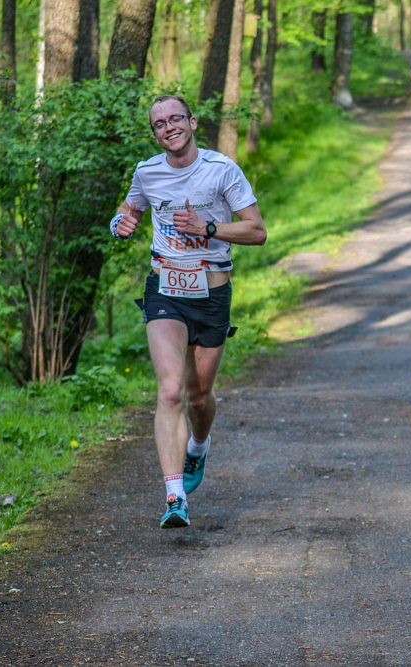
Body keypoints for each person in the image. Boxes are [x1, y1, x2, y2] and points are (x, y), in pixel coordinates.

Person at [110, 94, 267, 529]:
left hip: (212, 291)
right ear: (155, 133)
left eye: (175, 118)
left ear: (192, 122)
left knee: (198, 397)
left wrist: (209, 228)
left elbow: (257, 231)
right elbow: (129, 208)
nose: (168, 127)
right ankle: (175, 495)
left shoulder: (221, 170)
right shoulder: (147, 172)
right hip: (164, 286)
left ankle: (199, 444)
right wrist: (119, 224)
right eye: (159, 124)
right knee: (172, 391)